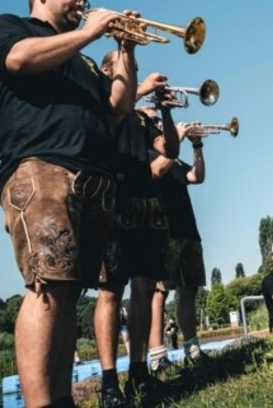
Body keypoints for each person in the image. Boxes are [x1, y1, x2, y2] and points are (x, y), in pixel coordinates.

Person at [0, 0, 138, 406]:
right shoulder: (10, 27)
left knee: (69, 292)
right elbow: (17, 59)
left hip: (92, 177)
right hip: (40, 167)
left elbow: (118, 106)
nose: (82, 2)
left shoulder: (82, 59)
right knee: (47, 284)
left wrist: (125, 50)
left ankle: (62, 400)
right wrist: (89, 32)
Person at [95, 52, 180, 406]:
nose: (135, 74)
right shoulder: (102, 98)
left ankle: (140, 372)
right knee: (111, 290)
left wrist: (165, 111)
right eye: (128, 68)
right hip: (113, 199)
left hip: (147, 205)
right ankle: (110, 382)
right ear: (107, 71)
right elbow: (107, 119)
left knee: (144, 287)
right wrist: (140, 90)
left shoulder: (142, 117)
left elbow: (170, 150)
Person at [147, 113, 210, 375]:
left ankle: (192, 349)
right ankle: (157, 356)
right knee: (159, 292)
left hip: (187, 229)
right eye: (157, 123)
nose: (162, 125)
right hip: (163, 230)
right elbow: (156, 172)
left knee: (189, 290)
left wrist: (196, 146)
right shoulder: (148, 154)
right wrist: (178, 141)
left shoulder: (175, 158)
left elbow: (197, 176)